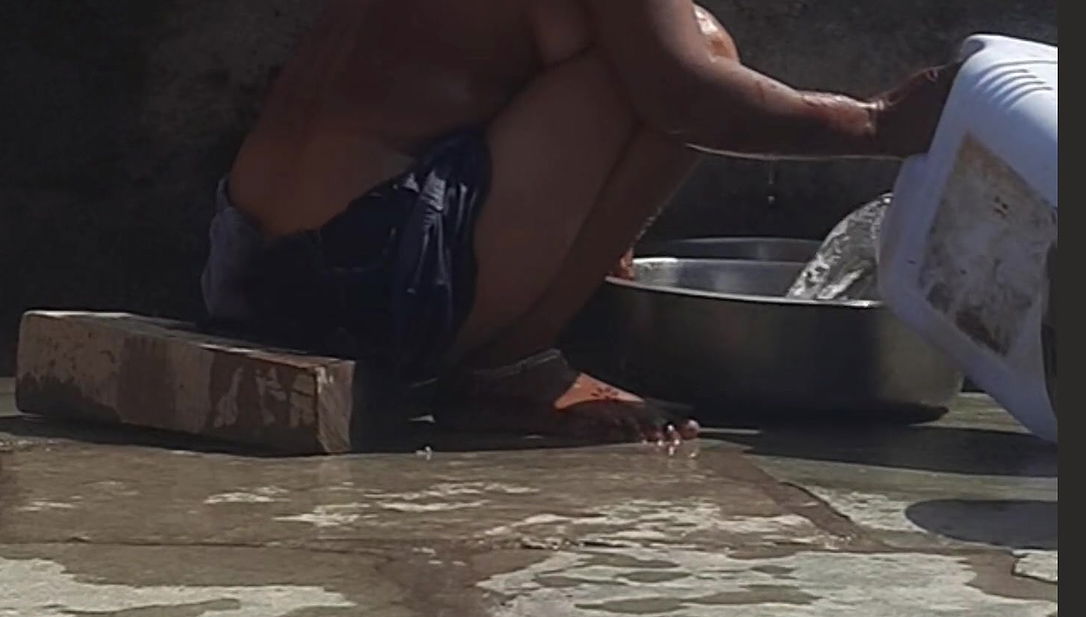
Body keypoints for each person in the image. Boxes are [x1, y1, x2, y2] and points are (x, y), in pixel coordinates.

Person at [202, 0, 960, 445]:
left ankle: (500, 346)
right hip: (369, 283)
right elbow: (687, 99)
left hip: (245, 270)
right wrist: (876, 124)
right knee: (698, 48)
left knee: (642, 51)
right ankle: (514, 368)